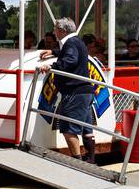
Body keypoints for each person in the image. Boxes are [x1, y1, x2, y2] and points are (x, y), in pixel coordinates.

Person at [37, 18, 96, 163]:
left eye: (55, 29)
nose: (53, 32)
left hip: (74, 92)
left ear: (63, 31)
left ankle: (77, 162)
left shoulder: (71, 43)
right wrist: (54, 51)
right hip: (85, 91)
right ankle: (91, 160)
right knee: (87, 130)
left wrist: (51, 67)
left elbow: (70, 60)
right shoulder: (77, 41)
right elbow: (70, 54)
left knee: (68, 128)